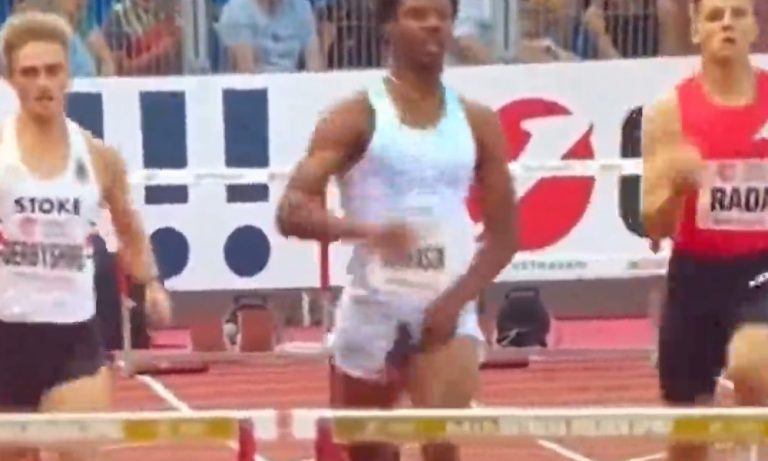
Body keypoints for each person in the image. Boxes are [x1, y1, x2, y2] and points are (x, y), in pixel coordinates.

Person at [276, 0, 517, 459]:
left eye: (442, 15)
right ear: (388, 25)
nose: (433, 25)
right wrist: (364, 230)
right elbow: (291, 211)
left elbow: (505, 236)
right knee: (368, 452)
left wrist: (455, 301)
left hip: (447, 309)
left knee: (440, 443)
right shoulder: (353, 116)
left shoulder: (478, 122)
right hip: (373, 309)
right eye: (417, 14)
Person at [0, 11, 171, 460]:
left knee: (81, 453)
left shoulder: (98, 157)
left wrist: (150, 283)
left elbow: (129, 228)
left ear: (68, 75)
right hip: (5, 335)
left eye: (52, 70)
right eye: (29, 73)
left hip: (73, 337)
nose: (43, 83)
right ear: (11, 80)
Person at [640, 0, 767, 459]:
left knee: (754, 365)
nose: (727, 23)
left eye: (738, 13)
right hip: (695, 275)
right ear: (696, 31)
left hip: (761, 266)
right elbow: (653, 226)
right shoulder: (667, 112)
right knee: (687, 440)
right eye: (715, 15)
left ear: (754, 28)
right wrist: (674, 188)